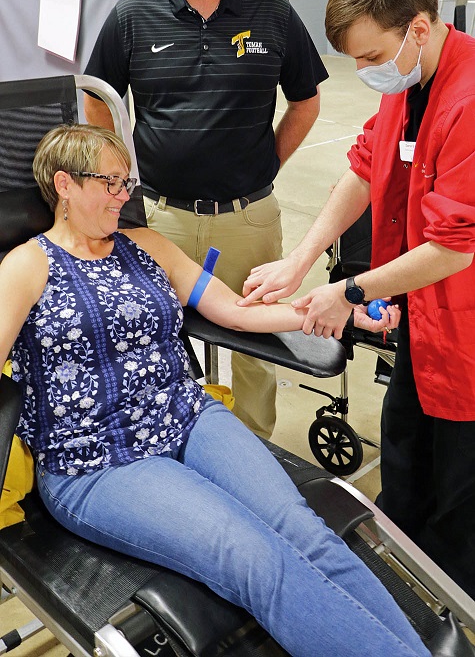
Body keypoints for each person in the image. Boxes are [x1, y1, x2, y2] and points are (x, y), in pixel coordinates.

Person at [0, 123, 430, 657]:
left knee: (304, 530)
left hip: (188, 417)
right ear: (64, 185)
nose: (124, 196)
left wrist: (333, 309)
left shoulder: (145, 245)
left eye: (126, 183)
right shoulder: (26, 266)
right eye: (110, 184)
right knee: (254, 558)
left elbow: (233, 312)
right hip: (99, 460)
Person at [240, 0, 475, 599]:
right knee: (403, 469)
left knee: (458, 506)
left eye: (371, 58)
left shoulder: (468, 100)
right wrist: (298, 258)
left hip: (467, 341)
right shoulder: (410, 84)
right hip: (426, 330)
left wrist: (347, 292)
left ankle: (449, 615)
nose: (365, 72)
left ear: (417, 28)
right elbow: (367, 164)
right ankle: (400, 588)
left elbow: (455, 248)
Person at [82, 0, 328, 440]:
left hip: (249, 221)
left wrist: (266, 166)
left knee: (256, 350)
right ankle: (168, 446)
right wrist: (119, 178)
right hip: (157, 220)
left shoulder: (272, 13)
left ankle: (254, 452)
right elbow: (98, 102)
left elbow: (307, 102)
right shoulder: (131, 17)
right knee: (149, 337)